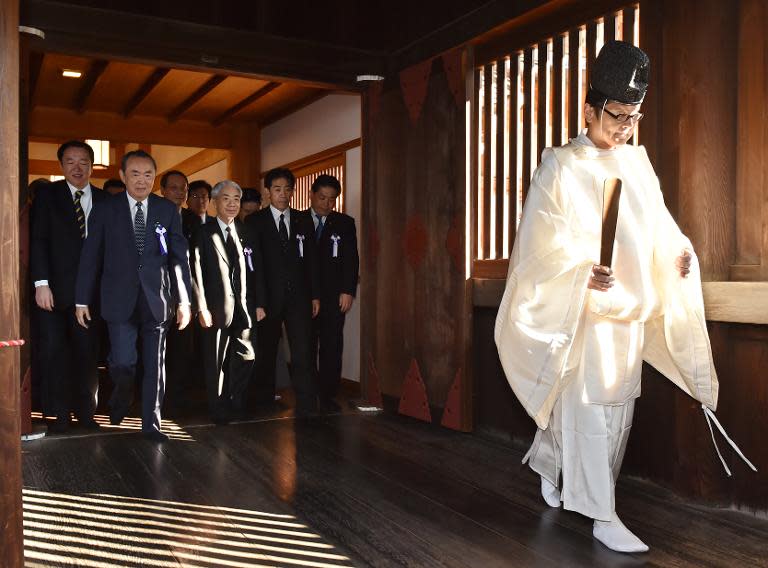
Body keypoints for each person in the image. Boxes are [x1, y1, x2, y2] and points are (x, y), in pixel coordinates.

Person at [494, 41, 719, 553]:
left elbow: (661, 230)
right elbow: (535, 247)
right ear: (590, 110)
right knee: (589, 409)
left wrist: (679, 256)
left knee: (616, 410)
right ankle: (602, 513)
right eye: (617, 115)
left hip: (629, 309)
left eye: (634, 117)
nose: (625, 127)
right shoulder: (560, 166)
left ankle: (551, 469)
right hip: (583, 312)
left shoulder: (637, 164)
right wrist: (578, 275)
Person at [75, 150, 191, 442]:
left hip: (157, 300)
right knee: (123, 362)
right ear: (124, 176)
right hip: (117, 298)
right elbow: (91, 256)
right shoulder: (105, 209)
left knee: (155, 364)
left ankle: (152, 424)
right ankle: (121, 397)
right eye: (135, 174)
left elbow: (178, 257)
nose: (142, 180)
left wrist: (185, 301)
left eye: (148, 174)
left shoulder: (167, 209)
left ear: (155, 177)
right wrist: (81, 299)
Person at [30, 141, 109, 432]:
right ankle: (60, 417)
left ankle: (87, 415)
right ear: (62, 165)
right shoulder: (48, 196)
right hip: (53, 292)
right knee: (55, 353)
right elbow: (38, 241)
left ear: (92, 165)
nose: (78, 167)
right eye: (71, 161)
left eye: (84, 161)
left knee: (87, 354)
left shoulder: (105, 200)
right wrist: (41, 283)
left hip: (91, 294)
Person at [245, 167, 320, 417]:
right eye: (277, 189)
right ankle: (264, 400)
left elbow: (311, 261)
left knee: (303, 351)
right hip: (268, 299)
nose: (283, 194)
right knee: (266, 351)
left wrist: (315, 295)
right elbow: (253, 265)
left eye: (287, 189)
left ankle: (307, 404)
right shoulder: (256, 221)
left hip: (299, 298)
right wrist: (256, 301)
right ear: (268, 192)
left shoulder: (303, 219)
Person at [192, 180, 266, 423]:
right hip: (215, 308)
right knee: (216, 362)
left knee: (247, 355)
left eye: (236, 199)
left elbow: (257, 272)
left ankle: (236, 399)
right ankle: (218, 408)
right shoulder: (203, 232)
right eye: (226, 198)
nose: (232, 204)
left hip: (245, 308)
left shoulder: (247, 232)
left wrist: (259, 303)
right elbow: (197, 272)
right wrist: (201, 306)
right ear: (214, 202)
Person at [307, 174, 359, 411]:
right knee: (306, 344)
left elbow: (351, 259)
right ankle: (306, 390)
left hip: (334, 295)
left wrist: (348, 290)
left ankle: (328, 392)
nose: (326, 203)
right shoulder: (298, 221)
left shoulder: (345, 223)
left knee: (331, 343)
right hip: (305, 295)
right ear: (311, 194)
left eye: (331, 199)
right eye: (322, 197)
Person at [159, 170, 195, 411]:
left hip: (186, 294)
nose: (180, 192)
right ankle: (155, 399)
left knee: (183, 349)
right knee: (158, 349)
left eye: (183, 188)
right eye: (174, 188)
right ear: (162, 190)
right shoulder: (153, 215)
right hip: (158, 292)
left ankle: (178, 399)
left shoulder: (195, 219)